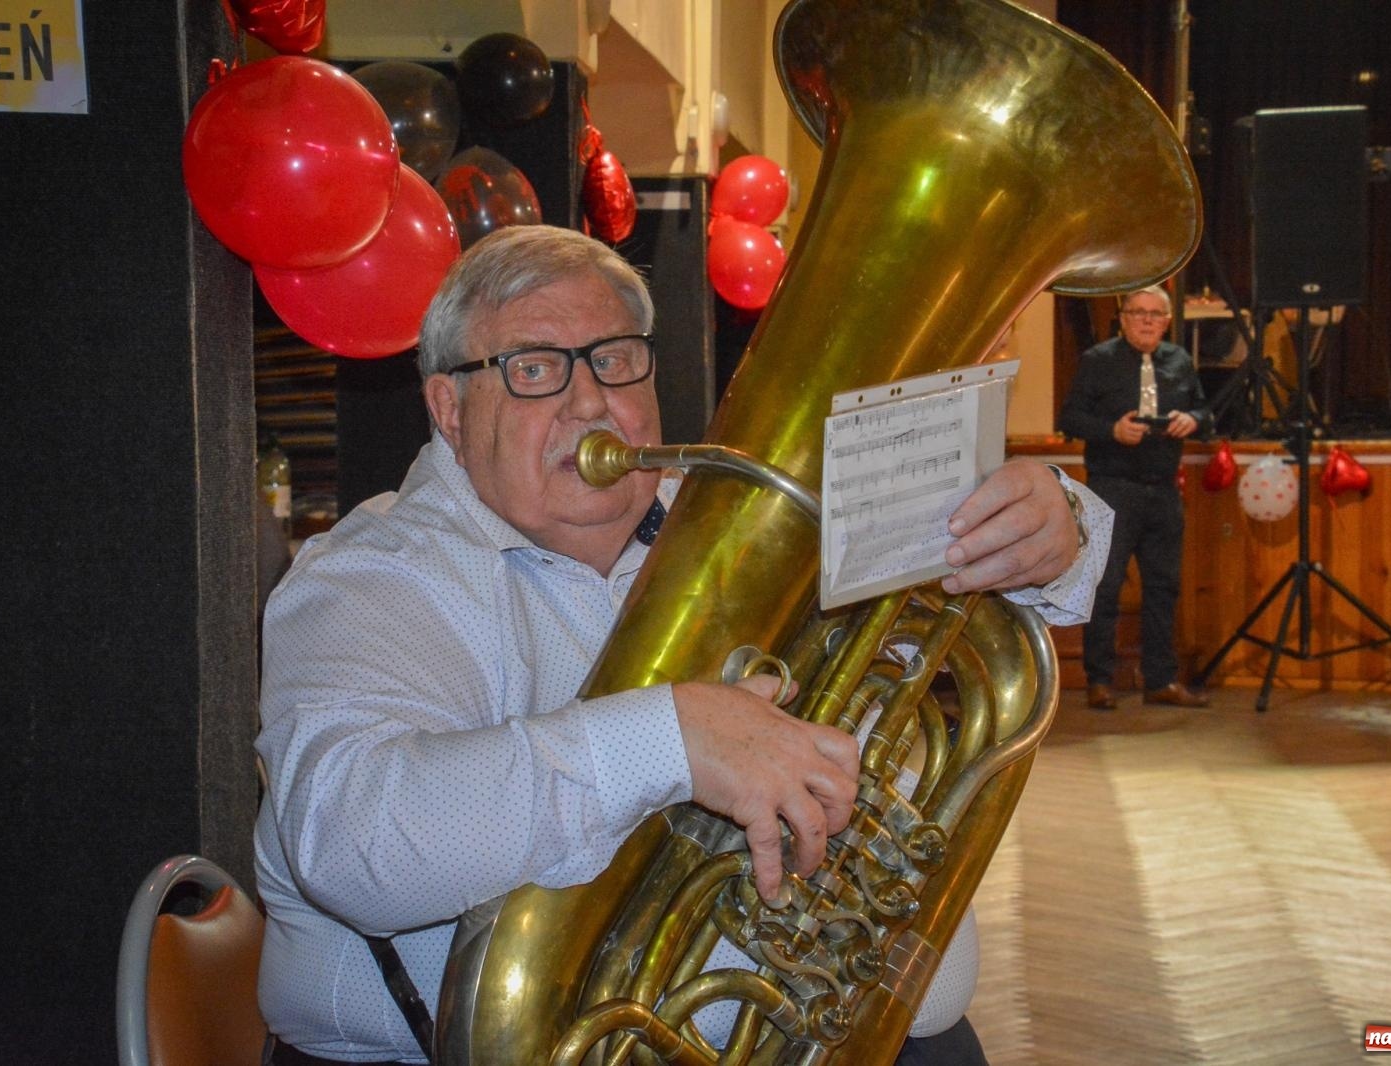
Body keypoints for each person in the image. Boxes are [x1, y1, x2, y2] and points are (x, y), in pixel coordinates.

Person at [253, 224, 1112, 1066]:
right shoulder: (374, 578)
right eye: (534, 369)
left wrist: (1052, 525)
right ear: (450, 408)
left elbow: (991, 554)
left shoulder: (735, 521)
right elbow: (352, 840)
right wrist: (669, 740)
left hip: (855, 1035)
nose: (590, 403)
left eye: (615, 359)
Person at [1059, 284, 1211, 711]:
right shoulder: (1098, 360)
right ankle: (1099, 680)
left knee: (1164, 587)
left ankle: (1161, 680)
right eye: (1137, 313)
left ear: (1166, 322)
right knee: (1105, 585)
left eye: (1154, 314)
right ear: (1123, 320)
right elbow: (1069, 418)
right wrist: (1112, 430)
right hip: (1113, 487)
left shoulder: (1180, 361)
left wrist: (1192, 419)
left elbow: (1205, 412)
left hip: (1163, 489)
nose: (1146, 320)